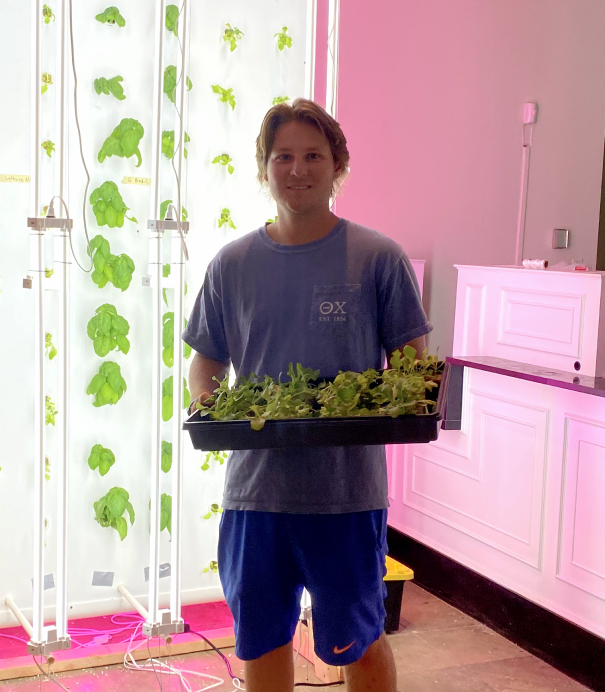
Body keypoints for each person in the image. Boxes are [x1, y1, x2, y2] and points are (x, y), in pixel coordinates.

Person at [182, 98, 431, 692]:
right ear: (264, 168)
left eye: (313, 156)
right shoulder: (232, 265)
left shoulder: (378, 258)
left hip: (345, 495)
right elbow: (206, 363)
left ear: (337, 165)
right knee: (263, 641)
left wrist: (397, 401)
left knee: (359, 641)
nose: (298, 169)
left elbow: (412, 368)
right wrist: (210, 408)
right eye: (283, 157)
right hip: (256, 494)